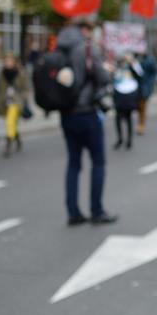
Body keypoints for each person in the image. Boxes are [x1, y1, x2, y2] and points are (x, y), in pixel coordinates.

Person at [56, 21, 118, 225]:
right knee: (98, 162)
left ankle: (73, 212)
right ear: (85, 30)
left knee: (73, 163)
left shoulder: (59, 47)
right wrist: (108, 71)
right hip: (87, 113)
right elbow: (101, 77)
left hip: (66, 113)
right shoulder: (87, 49)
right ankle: (96, 210)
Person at [0, 53, 29, 157]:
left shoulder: (20, 73)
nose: (8, 63)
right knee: (12, 124)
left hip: (16, 101)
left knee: (10, 122)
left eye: (10, 61)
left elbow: (26, 88)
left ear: (14, 62)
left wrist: (23, 98)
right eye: (6, 61)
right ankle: (18, 139)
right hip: (5, 101)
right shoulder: (2, 73)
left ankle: (8, 145)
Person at [112, 54, 142, 150]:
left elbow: (140, 74)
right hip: (119, 95)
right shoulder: (117, 67)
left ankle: (129, 140)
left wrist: (133, 62)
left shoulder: (132, 67)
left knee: (128, 118)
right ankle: (120, 138)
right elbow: (113, 78)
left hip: (129, 95)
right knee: (118, 118)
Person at [135, 50, 157, 135]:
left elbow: (153, 73)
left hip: (144, 87)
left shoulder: (149, 59)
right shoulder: (135, 58)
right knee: (138, 107)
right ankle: (140, 124)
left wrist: (150, 84)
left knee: (142, 106)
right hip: (136, 87)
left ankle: (141, 125)